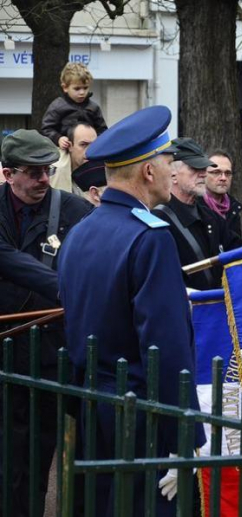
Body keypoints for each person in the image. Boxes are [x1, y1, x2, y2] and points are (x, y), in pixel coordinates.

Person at [57, 105, 206, 516]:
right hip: (142, 415)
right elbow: (167, 343)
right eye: (167, 162)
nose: (173, 170)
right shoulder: (151, 237)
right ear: (147, 172)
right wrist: (184, 437)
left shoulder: (81, 231)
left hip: (93, 404)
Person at [0, 129, 92, 517]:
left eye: (48, 170)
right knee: (10, 462)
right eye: (34, 172)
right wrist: (66, 289)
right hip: (6, 350)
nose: (43, 180)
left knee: (47, 455)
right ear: (8, 174)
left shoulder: (75, 211)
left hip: (54, 355)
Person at [153, 138, 242, 290]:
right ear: (173, 174)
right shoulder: (158, 219)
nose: (203, 174)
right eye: (195, 168)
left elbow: (239, 252)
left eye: (204, 168)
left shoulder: (209, 216)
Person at [40, 62, 107, 150]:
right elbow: (46, 129)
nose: (82, 92)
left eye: (85, 88)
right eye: (77, 88)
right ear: (65, 87)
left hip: (89, 151)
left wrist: (96, 141)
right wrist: (58, 138)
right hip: (64, 153)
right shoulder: (57, 106)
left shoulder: (94, 108)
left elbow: (103, 131)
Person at [204, 150, 242, 239]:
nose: (223, 178)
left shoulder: (233, 208)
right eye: (216, 172)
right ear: (203, 174)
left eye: (228, 173)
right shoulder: (195, 208)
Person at [50, 121, 98, 194]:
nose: (90, 150)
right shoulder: (53, 172)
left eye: (94, 145)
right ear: (70, 146)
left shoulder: (103, 170)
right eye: (83, 144)